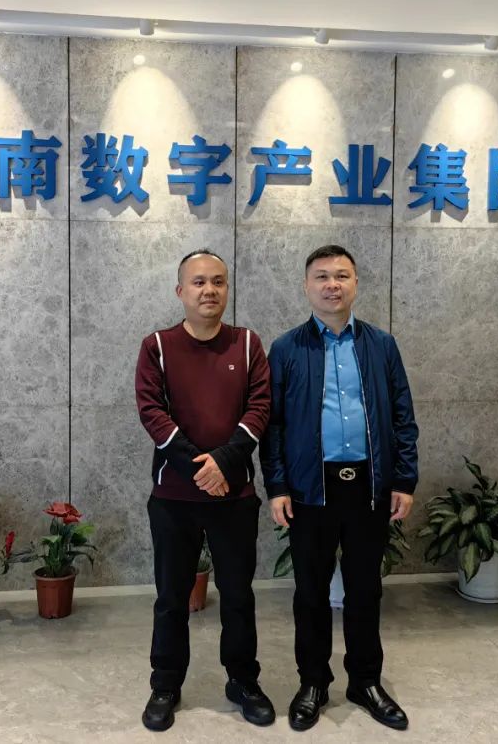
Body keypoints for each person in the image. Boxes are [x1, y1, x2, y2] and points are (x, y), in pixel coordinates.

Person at [261, 244, 419, 732]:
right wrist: (278, 485)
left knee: (365, 589)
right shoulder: (287, 349)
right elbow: (273, 425)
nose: (332, 284)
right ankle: (312, 683)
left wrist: (404, 478)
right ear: (306, 286)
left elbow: (402, 415)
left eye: (342, 275)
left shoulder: (381, 345)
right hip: (311, 488)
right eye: (322, 276)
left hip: (369, 485)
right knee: (310, 591)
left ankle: (365, 681)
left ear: (355, 284)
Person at [134, 248, 276, 732]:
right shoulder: (157, 345)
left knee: (237, 595)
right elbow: (151, 411)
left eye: (217, 281)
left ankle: (243, 682)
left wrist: (225, 463)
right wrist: (201, 467)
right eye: (198, 282)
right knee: (171, 598)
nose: (209, 290)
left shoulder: (248, 343)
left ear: (227, 289)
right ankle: (165, 685)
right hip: (173, 498)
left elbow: (260, 407)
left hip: (234, 498)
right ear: (181, 291)